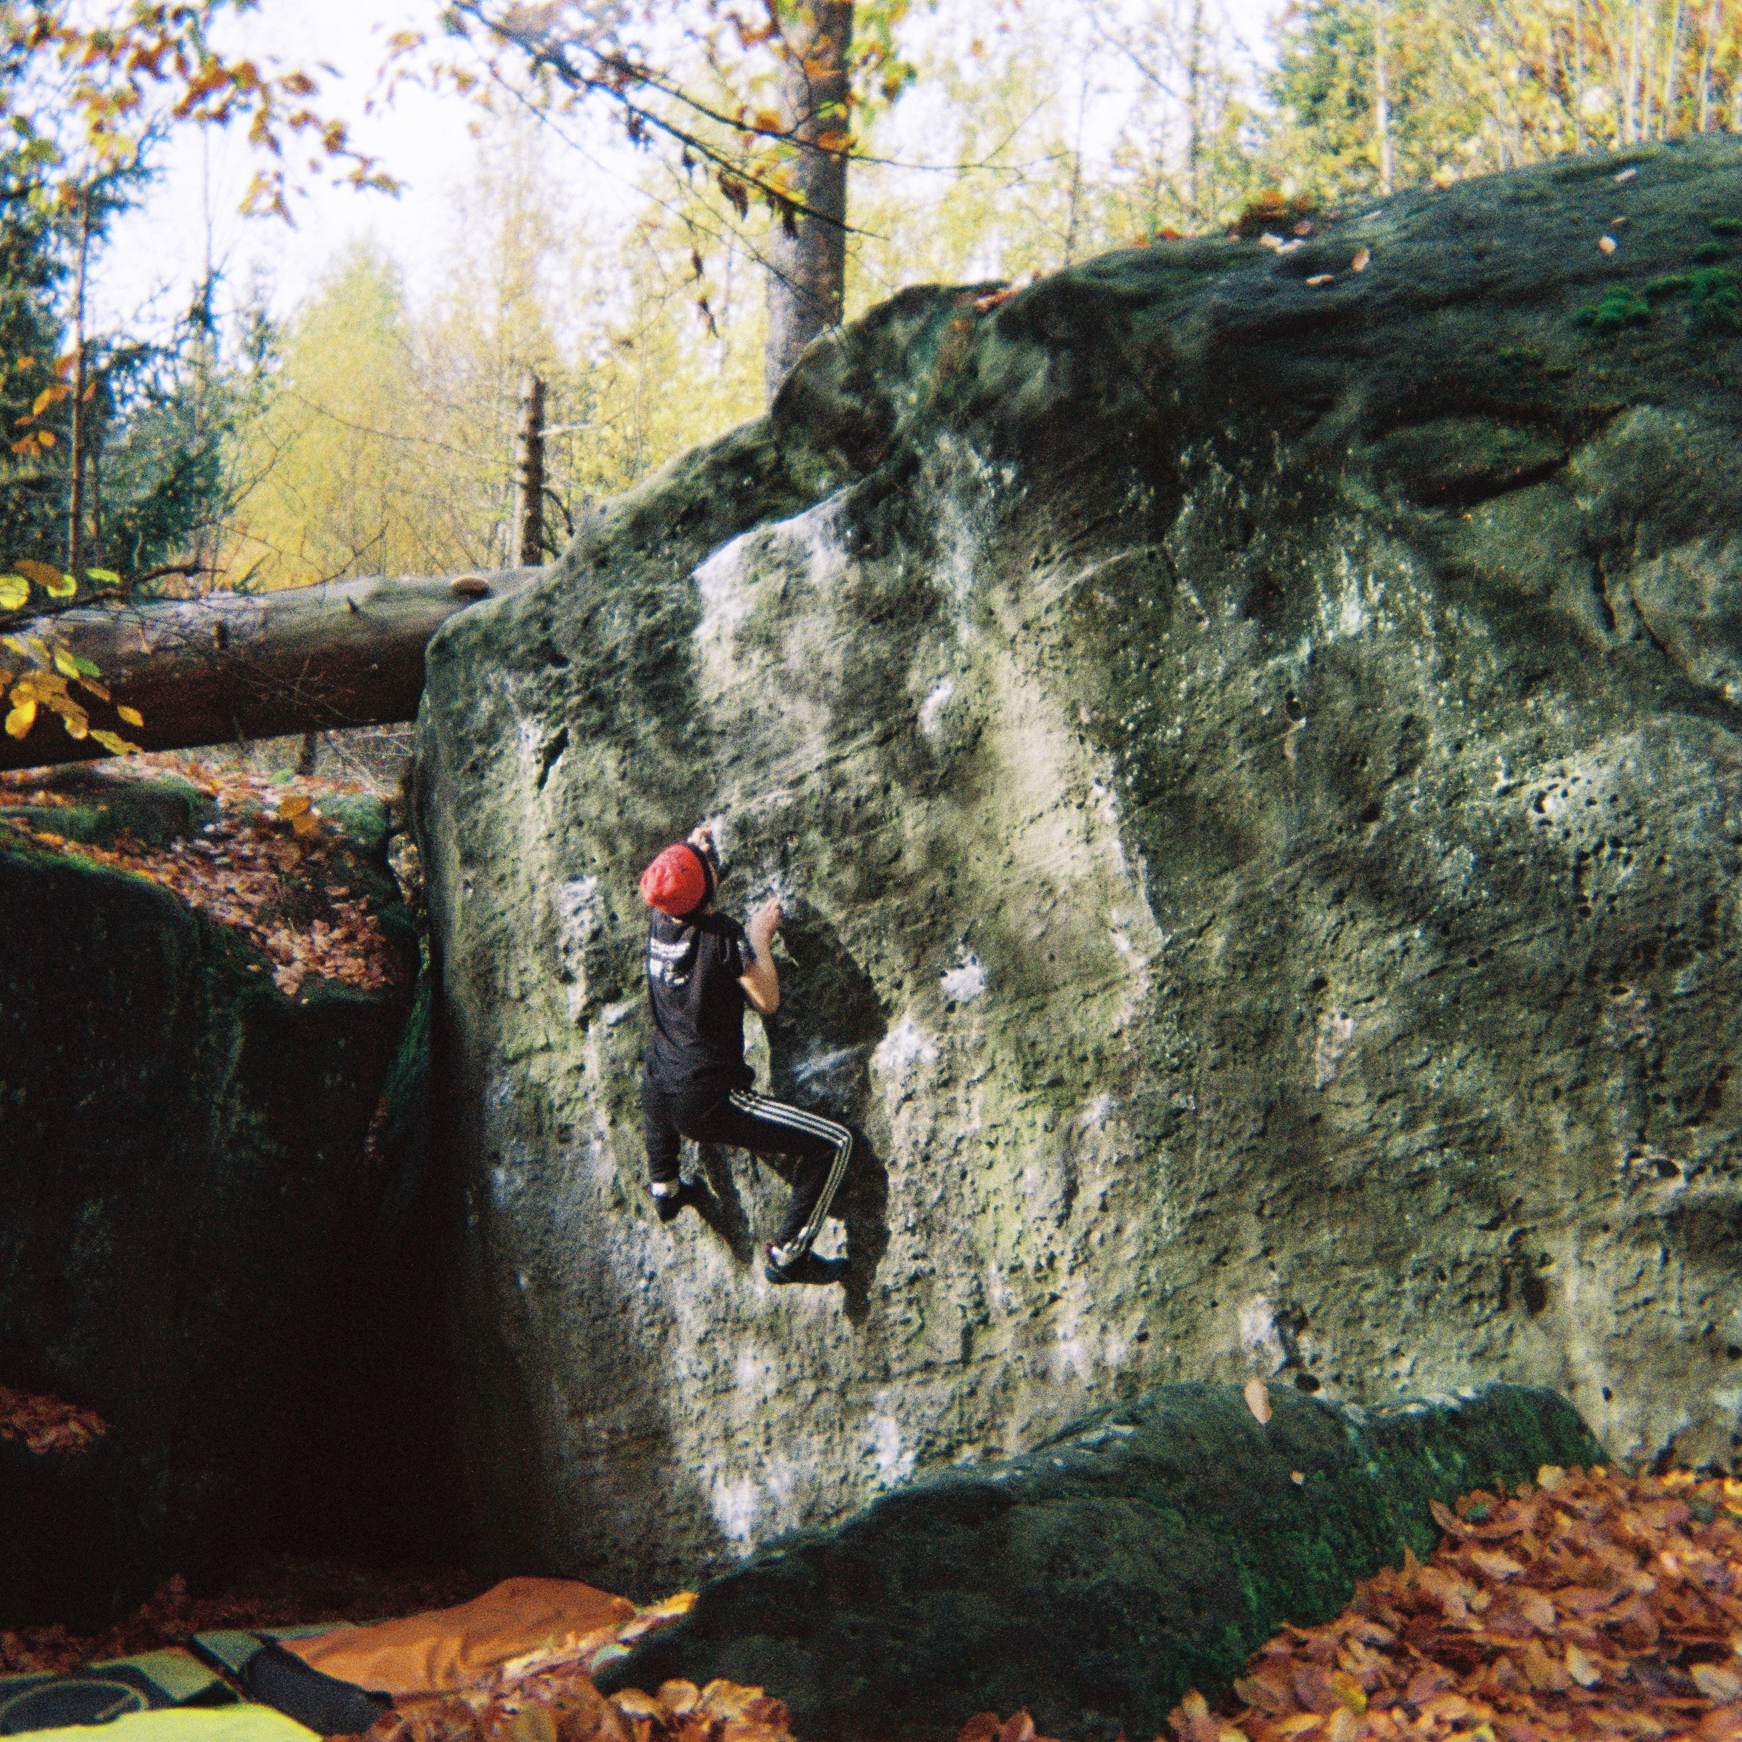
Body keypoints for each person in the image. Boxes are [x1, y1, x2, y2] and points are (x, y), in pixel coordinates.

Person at [638, 824, 852, 1283]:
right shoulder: (722, 939)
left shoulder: (660, 920)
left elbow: (685, 891)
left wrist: (695, 854)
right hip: (710, 1100)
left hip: (660, 1082)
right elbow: (766, 998)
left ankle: (666, 1189)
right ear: (707, 889)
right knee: (836, 1144)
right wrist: (760, 936)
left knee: (656, 1080)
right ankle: (788, 1256)